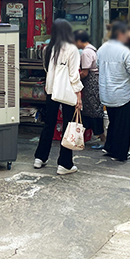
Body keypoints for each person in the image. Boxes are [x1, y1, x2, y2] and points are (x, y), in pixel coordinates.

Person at [34, 19, 83, 175]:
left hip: (51, 90)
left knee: (49, 123)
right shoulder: (72, 49)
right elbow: (74, 75)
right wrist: (79, 94)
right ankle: (64, 164)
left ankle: (40, 157)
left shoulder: (48, 48)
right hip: (67, 91)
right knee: (68, 126)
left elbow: (46, 69)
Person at [98, 21, 130, 161]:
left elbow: (97, 65)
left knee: (113, 122)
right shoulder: (124, 51)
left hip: (106, 93)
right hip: (122, 94)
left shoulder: (102, 49)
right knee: (123, 125)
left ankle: (109, 147)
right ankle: (120, 153)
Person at [75, 30, 104, 149]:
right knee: (90, 111)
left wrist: (74, 78)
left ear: (79, 40)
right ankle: (81, 137)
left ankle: (103, 139)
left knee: (93, 111)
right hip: (95, 83)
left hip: (91, 84)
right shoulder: (93, 49)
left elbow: (85, 73)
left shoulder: (86, 52)